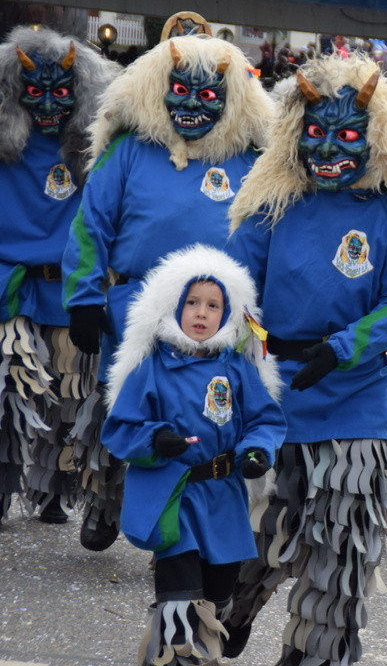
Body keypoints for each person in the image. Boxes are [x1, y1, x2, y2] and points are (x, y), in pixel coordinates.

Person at [222, 53, 387, 666]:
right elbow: (235, 286)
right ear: (293, 134)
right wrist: (245, 352)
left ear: (375, 138)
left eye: (347, 134)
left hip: (357, 395)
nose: (331, 147)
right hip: (276, 389)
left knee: (341, 542)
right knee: (262, 531)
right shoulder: (270, 205)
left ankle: (313, 652)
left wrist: (342, 348)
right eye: (316, 132)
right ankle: (234, 609)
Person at [62, 24, 274, 551]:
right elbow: (92, 223)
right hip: (137, 309)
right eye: (180, 91)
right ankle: (106, 503)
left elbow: (271, 241)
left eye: (207, 96)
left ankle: (200, 528)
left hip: (222, 318)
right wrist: (85, 296)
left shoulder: (252, 160)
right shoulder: (131, 149)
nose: (193, 105)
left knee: (212, 415)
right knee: (125, 408)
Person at [101, 244, 286, 666]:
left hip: (223, 496)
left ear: (229, 313)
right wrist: (155, 439)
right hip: (175, 495)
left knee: (216, 595)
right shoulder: (151, 367)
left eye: (214, 305)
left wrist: (257, 452)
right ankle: (171, 658)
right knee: (179, 599)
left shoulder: (237, 368)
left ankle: (201, 655)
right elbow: (119, 427)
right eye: (192, 303)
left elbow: (264, 419)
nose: (202, 313)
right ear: (172, 306)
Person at [0, 26, 117, 529]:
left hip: (69, 291)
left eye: (61, 90)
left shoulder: (96, 152)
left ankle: (53, 493)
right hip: (11, 288)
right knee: (7, 394)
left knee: (70, 400)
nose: (48, 101)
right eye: (35, 89)